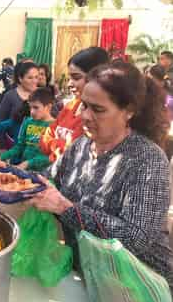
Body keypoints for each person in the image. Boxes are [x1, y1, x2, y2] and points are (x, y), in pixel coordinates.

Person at [28, 61, 173, 289]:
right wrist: (5, 178)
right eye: (84, 105)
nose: (85, 115)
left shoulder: (147, 160)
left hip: (138, 287)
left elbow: (136, 237)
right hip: (93, 278)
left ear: (129, 111)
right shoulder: (81, 147)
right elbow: (48, 178)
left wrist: (66, 209)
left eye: (98, 109)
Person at [40, 47, 109, 162]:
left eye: (76, 77)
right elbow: (43, 140)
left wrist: (53, 144)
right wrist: (58, 145)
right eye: (69, 78)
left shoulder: (97, 117)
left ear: (96, 77)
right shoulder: (71, 106)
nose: (69, 84)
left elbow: (73, 154)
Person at [0, 87, 55, 171]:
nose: (32, 112)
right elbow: (19, 147)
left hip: (44, 174)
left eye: (36, 107)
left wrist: (28, 163)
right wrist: (1, 157)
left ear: (48, 107)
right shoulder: (28, 122)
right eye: (30, 107)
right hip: (25, 171)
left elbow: (52, 156)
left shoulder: (55, 126)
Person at [0, 62, 39, 149]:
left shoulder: (42, 95)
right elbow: (1, 125)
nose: (34, 81)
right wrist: (3, 149)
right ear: (20, 78)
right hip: (13, 147)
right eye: (30, 78)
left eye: (36, 77)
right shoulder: (10, 96)